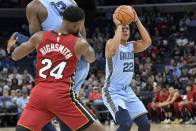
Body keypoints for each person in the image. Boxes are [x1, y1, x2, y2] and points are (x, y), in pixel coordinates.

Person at [11, 6, 104, 131]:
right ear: (77, 25)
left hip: (39, 96)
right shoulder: (80, 43)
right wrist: (80, 36)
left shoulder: (39, 37)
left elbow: (15, 55)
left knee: (22, 130)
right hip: (61, 96)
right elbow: (91, 58)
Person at [102, 8, 152, 131]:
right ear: (117, 31)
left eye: (127, 29)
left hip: (127, 91)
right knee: (126, 124)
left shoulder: (131, 45)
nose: (125, 31)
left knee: (145, 124)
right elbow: (114, 48)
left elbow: (147, 42)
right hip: (112, 91)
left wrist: (137, 21)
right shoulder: (110, 44)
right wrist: (119, 24)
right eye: (122, 29)